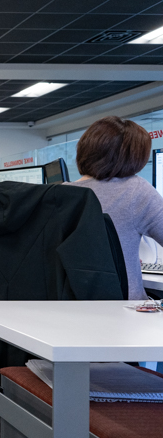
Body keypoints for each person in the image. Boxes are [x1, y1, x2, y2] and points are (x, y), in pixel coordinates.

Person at [66, 116, 163, 300]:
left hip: (69, 312)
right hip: (125, 314)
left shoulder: (60, 194)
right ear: (135, 157)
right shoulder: (136, 190)